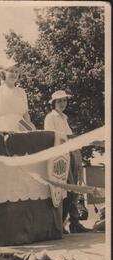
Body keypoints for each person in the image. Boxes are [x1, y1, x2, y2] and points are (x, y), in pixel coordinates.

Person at [44, 90, 90, 233]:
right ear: (53, 103)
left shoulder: (64, 118)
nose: (62, 104)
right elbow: (51, 137)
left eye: (64, 101)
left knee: (75, 188)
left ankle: (74, 222)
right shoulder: (50, 118)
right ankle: (60, 224)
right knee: (66, 190)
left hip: (71, 154)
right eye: (59, 101)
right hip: (60, 156)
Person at [0, 65, 35, 132]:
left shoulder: (21, 91)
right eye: (11, 71)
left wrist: (29, 129)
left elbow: (25, 113)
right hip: (2, 126)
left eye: (16, 72)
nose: (14, 74)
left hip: (21, 124)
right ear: (4, 73)